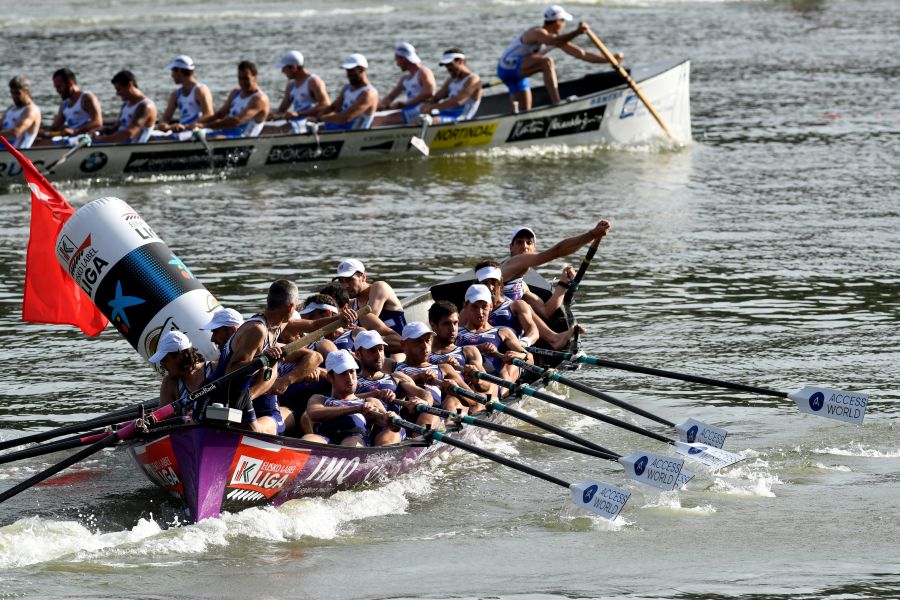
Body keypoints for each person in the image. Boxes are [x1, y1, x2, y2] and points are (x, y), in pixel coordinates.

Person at [496, 5, 623, 111]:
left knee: (524, 112)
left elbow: (581, 54)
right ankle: (557, 103)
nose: (564, 25)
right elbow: (553, 41)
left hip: (518, 75)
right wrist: (577, 32)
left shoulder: (557, 39)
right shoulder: (538, 32)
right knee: (547, 62)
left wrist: (608, 59)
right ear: (557, 21)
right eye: (563, 21)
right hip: (507, 68)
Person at [501, 221, 611, 320]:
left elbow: (546, 312)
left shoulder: (522, 286)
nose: (525, 247)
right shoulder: (512, 263)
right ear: (511, 247)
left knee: (525, 308)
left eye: (529, 243)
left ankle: (554, 338)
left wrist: (563, 284)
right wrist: (593, 234)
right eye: (520, 242)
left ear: (534, 249)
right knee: (523, 307)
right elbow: (558, 251)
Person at [301, 350, 400, 447]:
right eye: (343, 373)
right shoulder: (319, 399)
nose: (349, 378)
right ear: (330, 377)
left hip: (354, 441)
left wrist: (392, 418)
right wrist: (357, 409)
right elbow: (314, 413)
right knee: (308, 438)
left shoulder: (370, 401)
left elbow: (393, 427)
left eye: (352, 371)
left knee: (352, 442)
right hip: (325, 441)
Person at [475, 260, 577, 350]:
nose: (490, 287)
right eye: (484, 283)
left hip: (512, 353)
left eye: (494, 282)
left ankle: (553, 339)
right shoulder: (470, 308)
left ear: (500, 282)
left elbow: (535, 328)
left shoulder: (518, 300)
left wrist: (522, 343)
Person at [354, 329, 441, 432]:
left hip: (392, 429)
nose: (378, 355)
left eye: (381, 349)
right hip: (362, 431)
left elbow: (425, 394)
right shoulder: (350, 382)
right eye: (372, 350)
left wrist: (424, 402)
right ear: (358, 355)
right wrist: (375, 394)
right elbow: (340, 402)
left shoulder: (397, 377)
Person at [456, 284, 531, 383]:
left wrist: (519, 356)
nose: (480, 312)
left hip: (495, 383)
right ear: (465, 306)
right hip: (462, 381)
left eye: (484, 306)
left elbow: (529, 358)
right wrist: (479, 348)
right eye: (474, 307)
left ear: (491, 306)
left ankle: (501, 393)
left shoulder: (502, 332)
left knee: (509, 367)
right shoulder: (455, 333)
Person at [394, 322, 472, 415]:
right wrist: (419, 377)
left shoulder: (444, 368)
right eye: (418, 341)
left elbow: (473, 400)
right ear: (403, 344)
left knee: (452, 398)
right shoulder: (394, 368)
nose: (425, 346)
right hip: (411, 416)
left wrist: (457, 393)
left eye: (427, 340)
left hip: (441, 414)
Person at [334, 258, 405, 350]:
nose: (345, 286)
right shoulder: (351, 304)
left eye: (349, 280)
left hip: (400, 346)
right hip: (374, 350)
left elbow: (370, 317)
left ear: (363, 277)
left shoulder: (379, 287)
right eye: (341, 281)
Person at [427, 300, 493, 396]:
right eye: (447, 324)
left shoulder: (468, 351)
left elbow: (486, 386)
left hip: (464, 401)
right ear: (433, 326)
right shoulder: (423, 354)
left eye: (455, 323)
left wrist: (477, 381)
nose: (453, 329)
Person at [200, 60, 269, 138]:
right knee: (193, 136)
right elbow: (220, 114)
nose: (242, 82)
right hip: (226, 133)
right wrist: (195, 124)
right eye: (240, 78)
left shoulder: (260, 99)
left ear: (255, 77)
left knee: (213, 138)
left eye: (246, 79)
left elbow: (236, 121)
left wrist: (204, 126)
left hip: (242, 138)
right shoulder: (235, 93)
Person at [372, 42, 436, 127]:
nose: (397, 64)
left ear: (403, 59)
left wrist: (406, 103)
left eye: (397, 60)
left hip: (421, 110)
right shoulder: (405, 78)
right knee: (374, 118)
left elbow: (429, 92)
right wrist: (375, 108)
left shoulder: (423, 72)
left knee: (377, 121)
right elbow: (390, 97)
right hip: (409, 110)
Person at [150, 330, 213, 415]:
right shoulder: (169, 383)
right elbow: (161, 418)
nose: (162, 365)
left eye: (164, 360)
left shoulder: (214, 369)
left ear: (179, 358)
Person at [268, 50, 330, 133]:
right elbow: (282, 110)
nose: (282, 71)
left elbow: (325, 105)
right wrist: (270, 116)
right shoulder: (291, 85)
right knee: (265, 128)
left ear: (293, 68)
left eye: (284, 68)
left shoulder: (314, 82)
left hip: (311, 122)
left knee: (280, 130)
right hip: (297, 121)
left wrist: (300, 114)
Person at [315, 54, 378, 131]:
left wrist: (321, 119)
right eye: (347, 70)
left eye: (351, 70)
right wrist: (318, 116)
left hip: (355, 134)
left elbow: (346, 117)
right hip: (339, 129)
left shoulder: (368, 94)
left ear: (362, 69)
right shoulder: (347, 88)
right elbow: (333, 107)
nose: (348, 74)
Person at [93, 70, 157, 144]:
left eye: (119, 89)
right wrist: (102, 130)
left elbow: (130, 133)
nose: (117, 93)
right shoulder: (126, 104)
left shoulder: (145, 106)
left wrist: (100, 140)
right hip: (119, 144)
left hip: (132, 147)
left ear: (129, 85)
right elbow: (115, 129)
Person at [39, 68, 102, 141]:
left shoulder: (87, 98)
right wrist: (41, 131)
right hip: (71, 140)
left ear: (70, 84)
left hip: (86, 140)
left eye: (59, 87)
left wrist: (75, 131)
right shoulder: (65, 104)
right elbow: (54, 128)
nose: (57, 91)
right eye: (56, 87)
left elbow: (97, 122)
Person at [419, 49, 482, 123]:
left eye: (450, 65)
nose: (448, 69)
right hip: (445, 115)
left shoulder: (473, 79)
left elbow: (457, 102)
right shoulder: (451, 80)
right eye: (446, 66)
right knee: (416, 120)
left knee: (429, 121)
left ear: (460, 61)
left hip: (460, 118)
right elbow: (436, 97)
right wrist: (427, 103)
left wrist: (431, 107)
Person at [156, 55, 214, 133]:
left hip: (198, 131)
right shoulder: (175, 94)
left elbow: (208, 115)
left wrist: (187, 126)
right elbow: (165, 119)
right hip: (183, 131)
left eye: (172, 71)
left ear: (179, 71)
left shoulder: (200, 90)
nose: (172, 75)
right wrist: (165, 126)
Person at [1, 76, 41, 149]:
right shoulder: (10, 108)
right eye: (12, 93)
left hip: (17, 153)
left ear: (27, 91)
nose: (14, 96)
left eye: (17, 93)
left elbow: (16, 132)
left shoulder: (31, 110)